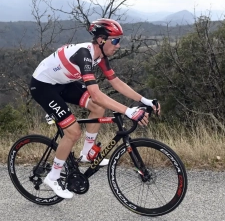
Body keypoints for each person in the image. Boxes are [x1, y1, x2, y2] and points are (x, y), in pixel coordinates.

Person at [29, 18, 160, 199]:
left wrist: (144, 100)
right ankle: (53, 177)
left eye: (119, 40)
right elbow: (97, 94)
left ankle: (86, 153)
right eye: (115, 40)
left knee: (98, 108)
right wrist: (129, 111)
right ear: (101, 40)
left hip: (63, 83)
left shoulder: (99, 56)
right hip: (43, 87)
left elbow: (116, 82)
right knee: (73, 132)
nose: (118, 45)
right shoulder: (84, 54)